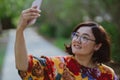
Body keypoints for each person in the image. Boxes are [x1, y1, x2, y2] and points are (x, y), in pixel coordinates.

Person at [15, 7, 119, 80]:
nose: (77, 40)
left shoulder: (107, 74)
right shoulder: (57, 65)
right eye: (76, 35)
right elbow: (23, 66)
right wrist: (20, 30)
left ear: (97, 45)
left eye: (85, 37)